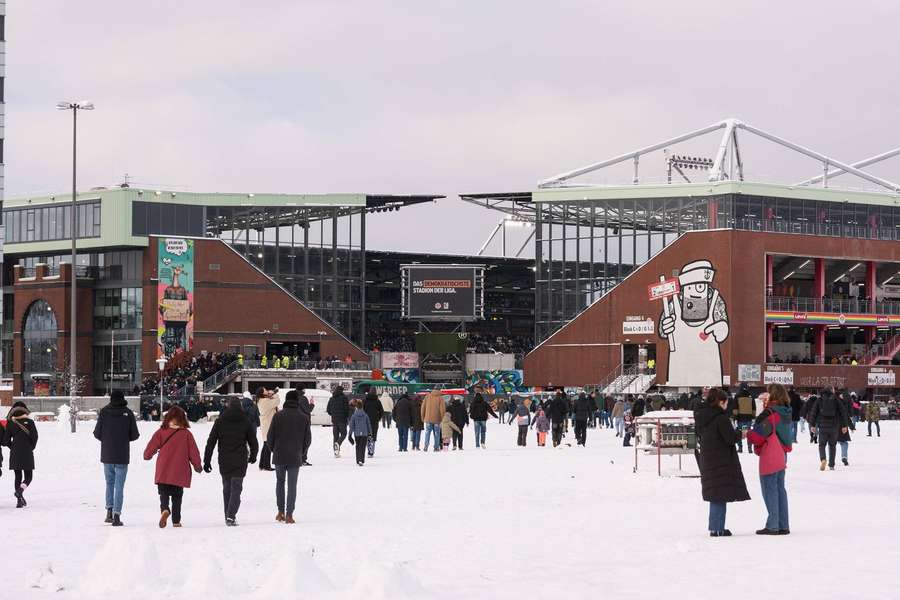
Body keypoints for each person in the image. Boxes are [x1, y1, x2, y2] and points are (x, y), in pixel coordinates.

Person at [694, 388, 751, 537]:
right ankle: (718, 528)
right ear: (721, 402)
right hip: (721, 460)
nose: (727, 405)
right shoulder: (720, 418)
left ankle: (715, 527)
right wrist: (741, 434)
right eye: (726, 402)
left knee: (716, 493)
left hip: (708, 459)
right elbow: (730, 438)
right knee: (719, 494)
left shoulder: (702, 416)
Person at [142, 406, 202, 528]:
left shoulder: (161, 432)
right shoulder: (186, 434)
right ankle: (176, 521)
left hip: (163, 468)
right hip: (180, 470)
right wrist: (197, 465)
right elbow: (194, 452)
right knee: (177, 495)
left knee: (163, 493)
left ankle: (165, 509)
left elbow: (149, 450)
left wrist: (147, 455)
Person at [203, 398, 259, 526]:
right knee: (237, 488)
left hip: (224, 459)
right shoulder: (245, 421)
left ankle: (227, 515)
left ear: (228, 406)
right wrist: (253, 456)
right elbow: (253, 441)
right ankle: (231, 515)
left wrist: (207, 461)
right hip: (240, 459)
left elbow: (210, 442)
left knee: (227, 488)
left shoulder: (220, 421)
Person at [747, 385, 793, 535]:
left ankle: (773, 525)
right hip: (782, 454)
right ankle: (783, 524)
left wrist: (747, 433)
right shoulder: (786, 412)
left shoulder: (772, 413)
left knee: (770, 489)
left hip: (770, 454)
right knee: (780, 489)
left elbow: (758, 435)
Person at [93, 390, 140, 526]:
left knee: (109, 483)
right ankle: (117, 515)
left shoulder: (104, 412)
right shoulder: (128, 413)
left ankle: (109, 511)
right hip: (122, 455)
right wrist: (123, 438)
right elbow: (135, 435)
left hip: (107, 454)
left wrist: (107, 439)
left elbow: (97, 433)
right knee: (119, 486)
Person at [266, 390, 311, 524]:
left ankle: (280, 512)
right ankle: (290, 514)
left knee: (280, 483)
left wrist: (273, 449)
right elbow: (307, 439)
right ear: (297, 401)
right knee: (292, 485)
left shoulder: (278, 416)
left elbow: (270, 437)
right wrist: (301, 452)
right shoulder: (303, 417)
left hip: (279, 455)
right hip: (295, 456)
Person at [3, 402, 38, 508]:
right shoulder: (30, 422)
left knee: (17, 476)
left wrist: (12, 447)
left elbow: (5, 440)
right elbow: (35, 437)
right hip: (27, 451)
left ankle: (19, 500)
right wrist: (30, 447)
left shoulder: (10, 423)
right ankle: (20, 490)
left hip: (15, 453)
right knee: (28, 477)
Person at [808, 387, 849, 471]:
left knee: (822, 445)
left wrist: (812, 425)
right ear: (831, 391)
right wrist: (845, 425)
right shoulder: (836, 400)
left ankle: (823, 459)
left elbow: (813, 412)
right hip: (834, 426)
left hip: (822, 426)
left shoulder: (819, 400)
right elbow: (843, 412)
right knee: (832, 445)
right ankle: (831, 464)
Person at [257, 388, 279, 471]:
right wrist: (274, 394)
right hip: (268, 426)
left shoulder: (262, 400)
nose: (267, 390)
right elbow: (277, 401)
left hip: (266, 425)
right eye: (265, 390)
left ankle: (262, 464)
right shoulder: (264, 401)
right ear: (262, 393)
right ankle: (266, 465)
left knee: (266, 446)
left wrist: (271, 396)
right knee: (268, 446)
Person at [326, 386, 350, 458]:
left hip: (334, 420)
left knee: (335, 436)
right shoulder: (344, 398)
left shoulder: (331, 398)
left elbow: (328, 410)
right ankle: (338, 443)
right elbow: (346, 409)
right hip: (342, 420)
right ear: (342, 391)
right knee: (344, 434)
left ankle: (336, 452)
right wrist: (346, 416)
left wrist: (333, 415)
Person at [348, 399, 372, 466]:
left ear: (356, 407)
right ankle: (361, 459)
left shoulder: (354, 416)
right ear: (362, 407)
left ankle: (358, 460)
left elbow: (351, 426)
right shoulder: (365, 415)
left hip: (357, 434)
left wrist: (349, 435)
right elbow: (368, 425)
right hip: (364, 434)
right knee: (363, 447)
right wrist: (370, 433)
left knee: (358, 446)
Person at [733, 384, 755, 453]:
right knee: (749, 433)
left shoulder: (737, 396)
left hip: (740, 417)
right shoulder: (751, 396)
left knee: (739, 432)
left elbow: (735, 408)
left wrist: (735, 418)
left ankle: (740, 448)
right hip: (748, 417)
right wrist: (753, 417)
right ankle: (750, 448)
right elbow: (753, 408)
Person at [363, 390, 384, 457]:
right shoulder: (377, 401)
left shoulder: (365, 401)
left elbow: (362, 410)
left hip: (366, 421)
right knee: (373, 436)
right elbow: (381, 411)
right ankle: (371, 452)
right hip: (375, 421)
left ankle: (369, 450)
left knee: (367, 436)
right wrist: (378, 418)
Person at [296, 390, 314, 466]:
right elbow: (308, 410)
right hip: (304, 422)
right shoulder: (303, 398)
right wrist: (312, 404)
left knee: (298, 441)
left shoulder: (294, 397)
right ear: (303, 390)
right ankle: (302, 459)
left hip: (296, 422)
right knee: (307, 441)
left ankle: (298, 458)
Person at [837, 391, 853, 467]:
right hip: (842, 425)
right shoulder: (843, 403)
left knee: (831, 444)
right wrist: (851, 426)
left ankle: (831, 459)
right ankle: (844, 456)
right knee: (844, 443)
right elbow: (846, 415)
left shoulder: (831, 403)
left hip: (833, 426)